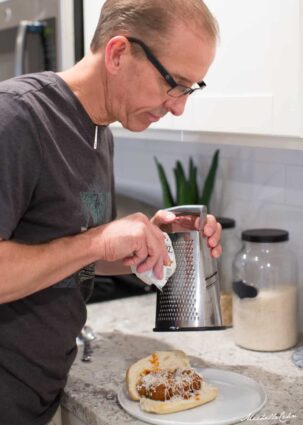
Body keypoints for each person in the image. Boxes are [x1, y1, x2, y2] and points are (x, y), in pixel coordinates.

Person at [0, 0, 222, 424]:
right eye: (174, 83)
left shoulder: (100, 132)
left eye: (190, 89)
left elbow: (70, 257)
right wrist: (98, 239)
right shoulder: (16, 117)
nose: (178, 106)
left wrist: (154, 242)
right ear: (119, 53)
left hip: (38, 397)